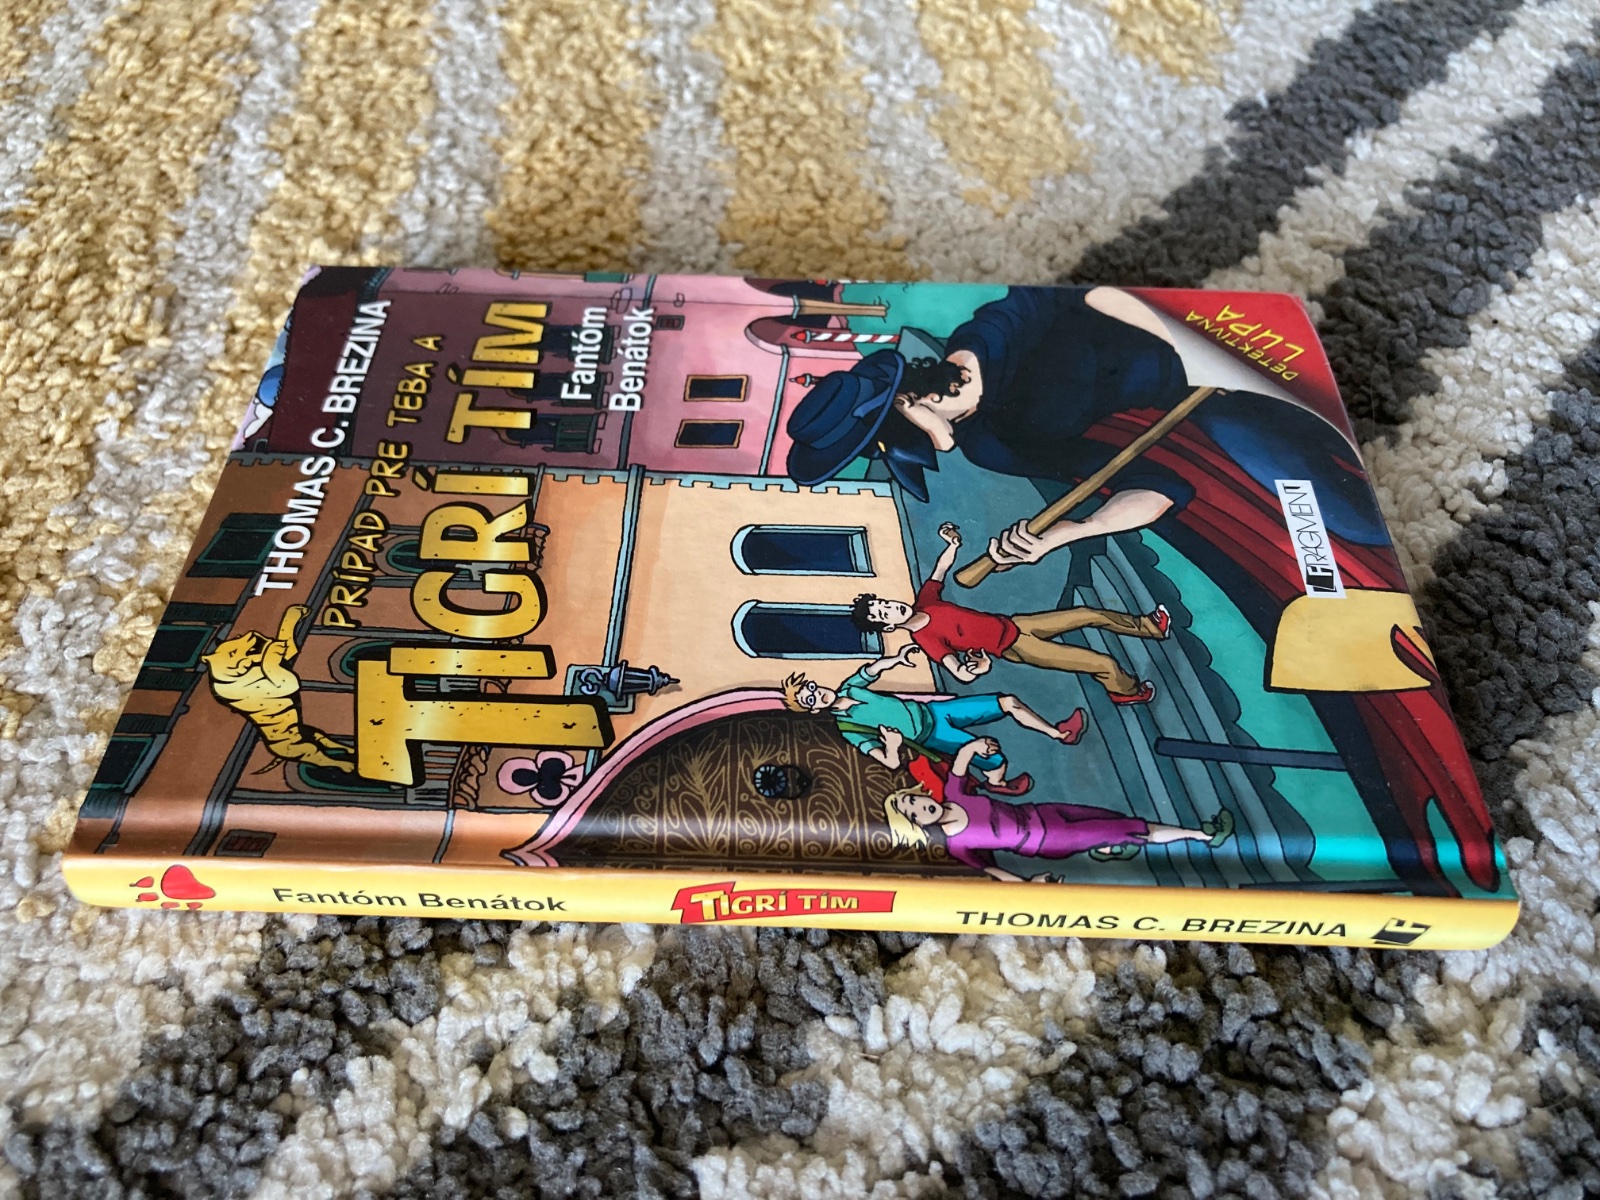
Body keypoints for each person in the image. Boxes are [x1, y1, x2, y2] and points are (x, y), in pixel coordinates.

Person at [785, 285, 1388, 571]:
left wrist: (1200, 353)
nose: (908, 455)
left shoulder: (1003, 323)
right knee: (1351, 520)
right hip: (1206, 407)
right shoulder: (991, 446)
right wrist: (1069, 534)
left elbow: (1103, 294)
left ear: (907, 401)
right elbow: (1157, 487)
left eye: (888, 440)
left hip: (1218, 341)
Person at [850, 521, 1167, 704]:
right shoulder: (926, 639)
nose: (891, 607)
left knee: (1086, 613)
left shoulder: (926, 602)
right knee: (1101, 663)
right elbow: (959, 673)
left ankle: (1149, 627)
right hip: (1016, 647)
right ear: (888, 628)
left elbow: (940, 570)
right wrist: (979, 668)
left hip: (1017, 624)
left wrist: (953, 544)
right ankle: (1126, 692)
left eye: (885, 603)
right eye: (884, 614)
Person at [882, 749, 1235, 882]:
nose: (920, 808)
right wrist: (1028, 886)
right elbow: (991, 871)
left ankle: (1107, 847)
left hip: (1044, 811)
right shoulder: (956, 846)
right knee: (1129, 828)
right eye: (914, 815)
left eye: (914, 801)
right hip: (1049, 840)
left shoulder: (954, 793)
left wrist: (976, 747)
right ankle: (1202, 835)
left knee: (1109, 817)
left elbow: (961, 760)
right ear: (918, 826)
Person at [780, 644, 1083, 796]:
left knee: (1007, 702)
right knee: (995, 758)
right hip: (932, 735)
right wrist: (892, 745)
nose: (816, 694)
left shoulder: (850, 687)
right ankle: (997, 783)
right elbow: (889, 762)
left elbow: (873, 669)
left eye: (811, 688)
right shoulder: (849, 729)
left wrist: (897, 659)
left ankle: (1059, 733)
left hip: (935, 711)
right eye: (809, 700)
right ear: (813, 710)